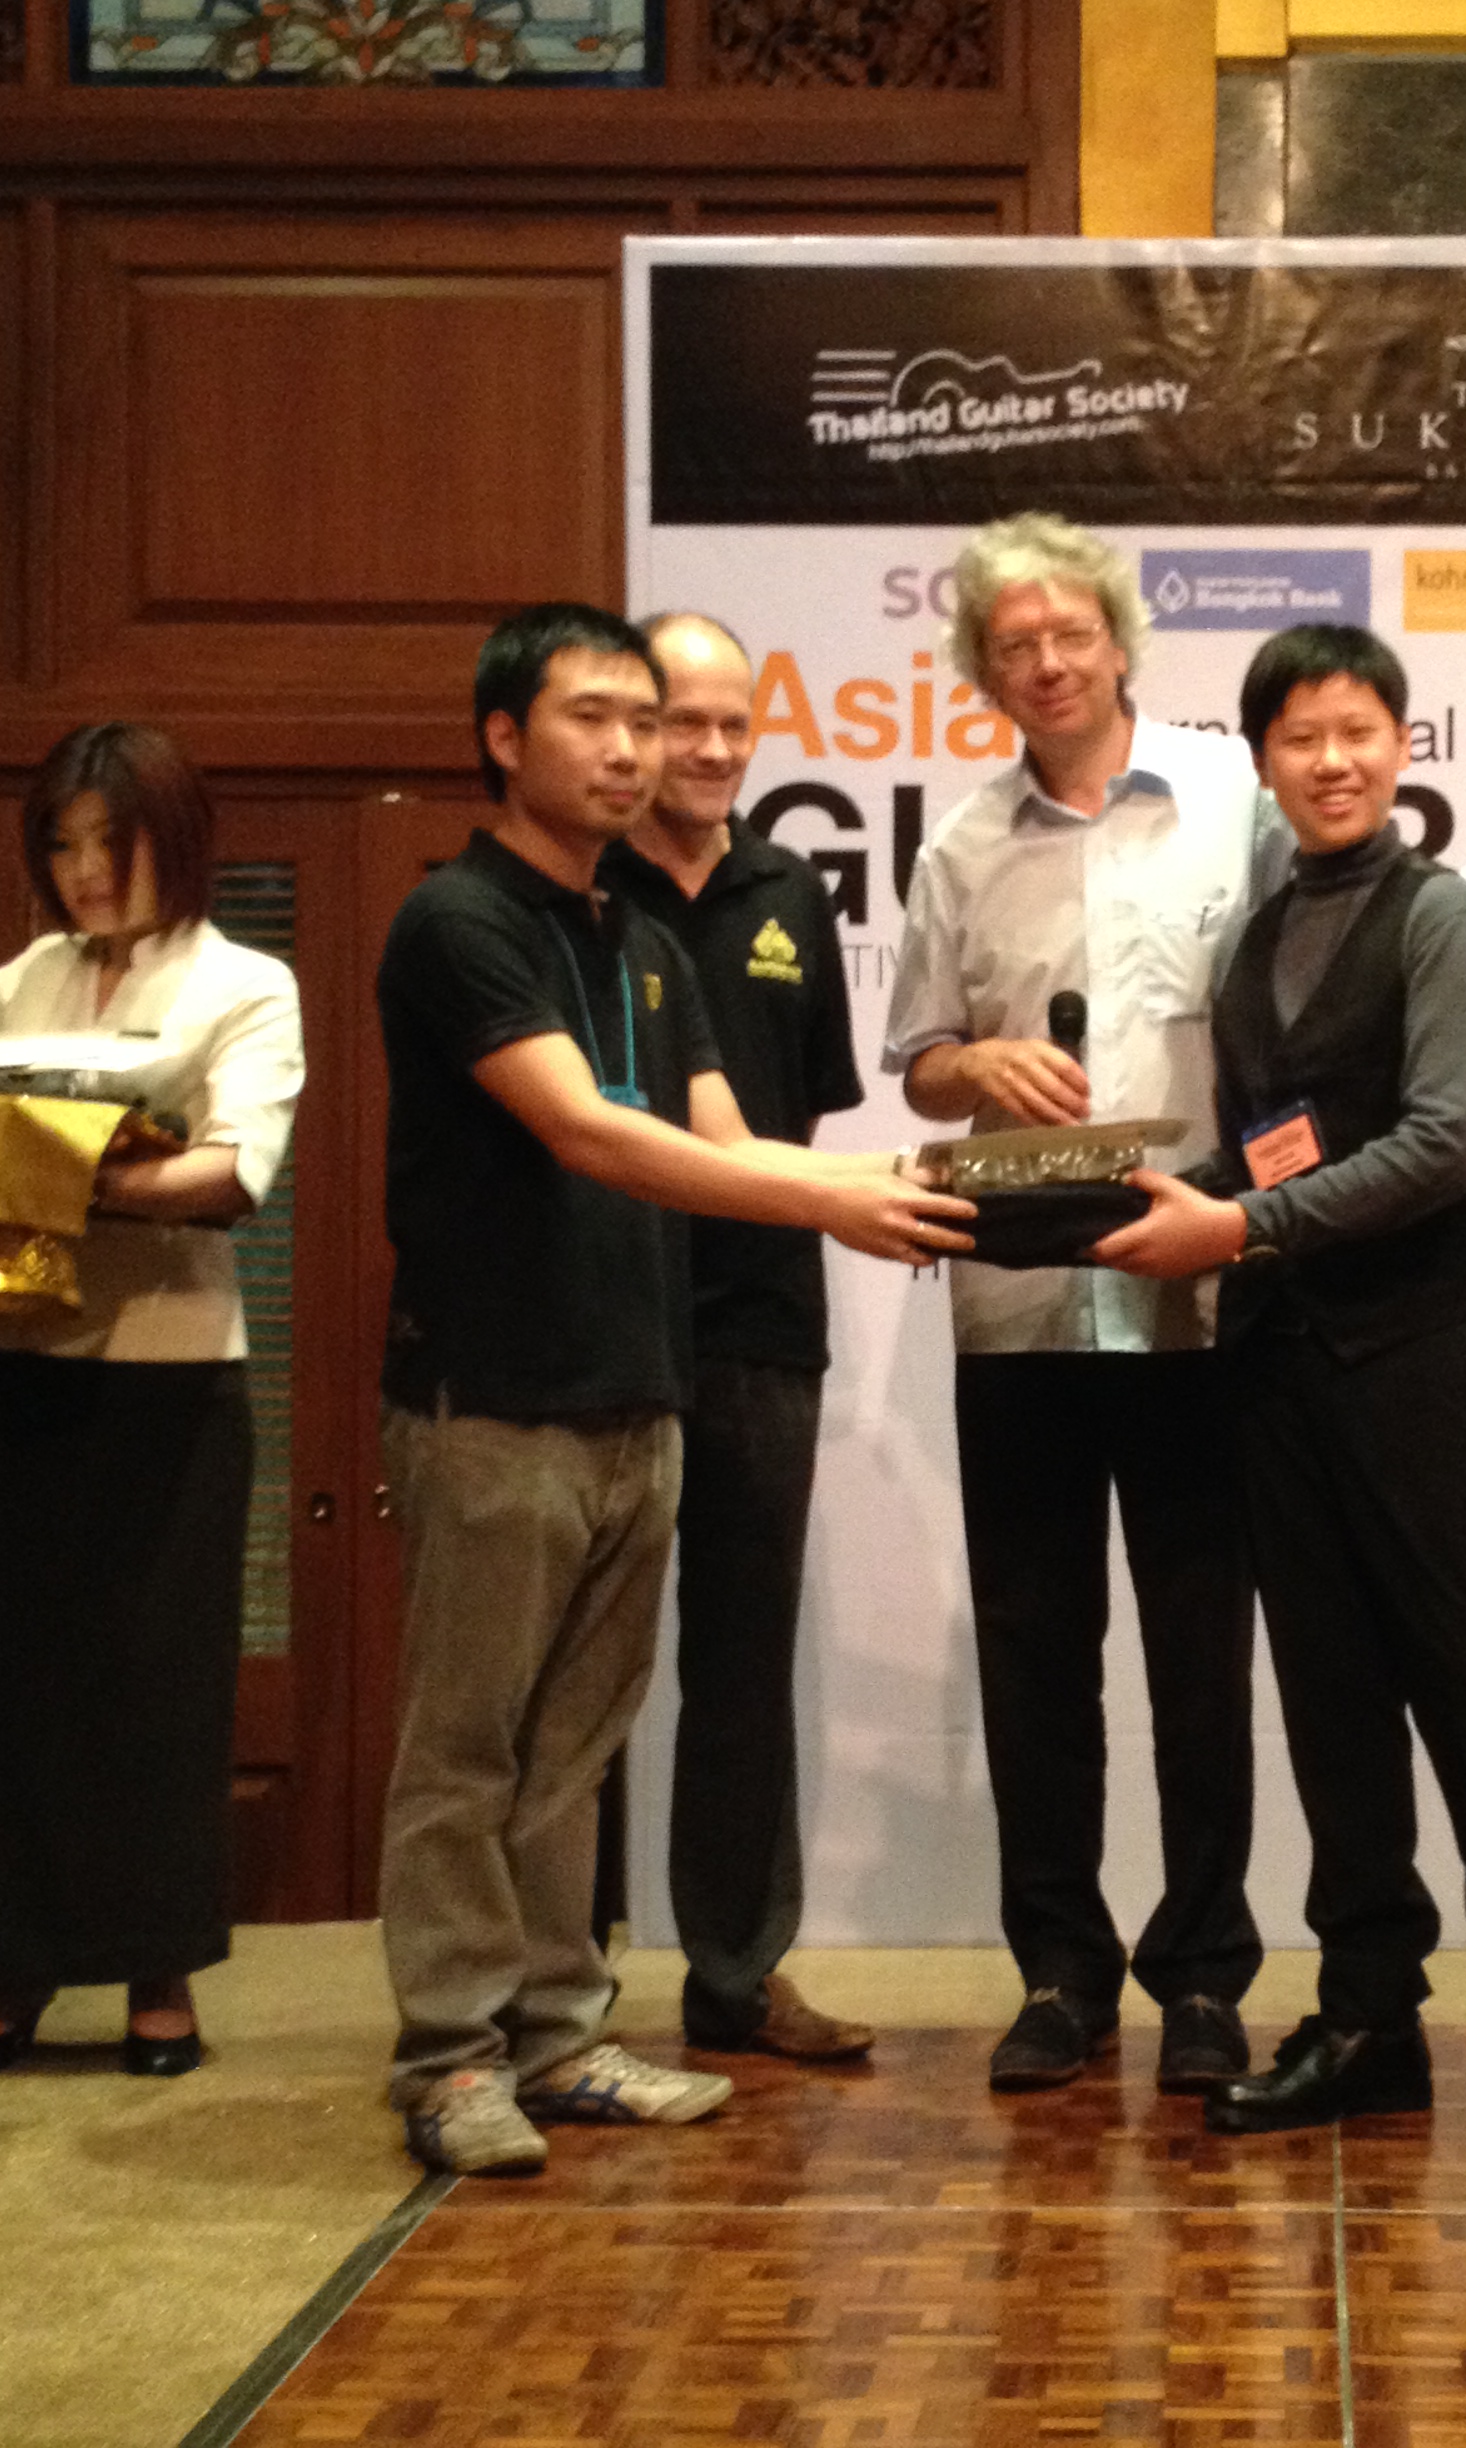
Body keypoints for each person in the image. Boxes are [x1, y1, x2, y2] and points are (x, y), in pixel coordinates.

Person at [377, 602, 970, 2177]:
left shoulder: (639, 946)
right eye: (598, 717)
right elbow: (591, 1134)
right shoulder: (458, 922)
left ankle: (560, 2037)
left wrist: (921, 1182)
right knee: (469, 1750)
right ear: (505, 736)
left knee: (574, 1748)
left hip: (640, 1393)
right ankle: (449, 2058)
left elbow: (725, 1140)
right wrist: (845, 1205)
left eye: (648, 721)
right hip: (495, 1397)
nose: (635, 749)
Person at [1093, 624, 1466, 2168]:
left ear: (1402, 746)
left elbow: (1438, 1147)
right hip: (1275, 1375)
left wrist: (1237, 1228)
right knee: (1332, 1700)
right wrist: (1119, 1192)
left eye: (1356, 731)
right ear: (1265, 764)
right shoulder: (1257, 934)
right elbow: (1259, 1141)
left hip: (1415, 1370)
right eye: (1300, 738)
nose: (1332, 761)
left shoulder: (1445, 923)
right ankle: (1368, 2023)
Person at [885, 512, 1284, 2094]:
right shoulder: (959, 848)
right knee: (1035, 1652)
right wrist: (973, 1062)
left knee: (1200, 1656)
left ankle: (1204, 1978)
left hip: (1195, 1297)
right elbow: (919, 1062)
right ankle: (1059, 1973)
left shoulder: (1234, 799)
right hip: (1021, 1303)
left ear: (1119, 640)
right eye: (1014, 647)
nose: (1047, 664)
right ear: (983, 674)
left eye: (1069, 635)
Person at [0, 723, 304, 2079]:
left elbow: (230, 1172)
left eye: (113, 841)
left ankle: (161, 1973)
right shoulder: (19, 981)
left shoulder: (245, 983)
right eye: (63, 845)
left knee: (156, 1683)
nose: (86, 871)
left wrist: (61, 1174)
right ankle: (12, 1966)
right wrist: (65, 1169)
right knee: (5, 1678)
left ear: (177, 836)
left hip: (168, 1375)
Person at [600, 610, 874, 2065]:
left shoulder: (791, 891)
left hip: (763, 1322)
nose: (708, 750)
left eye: (731, 726)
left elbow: (802, 1119)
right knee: (576, 1666)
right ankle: (558, 1978)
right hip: (601, 1321)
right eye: (679, 723)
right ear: (631, 731)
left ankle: (736, 1973)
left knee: (743, 1662)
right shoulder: (579, 888)